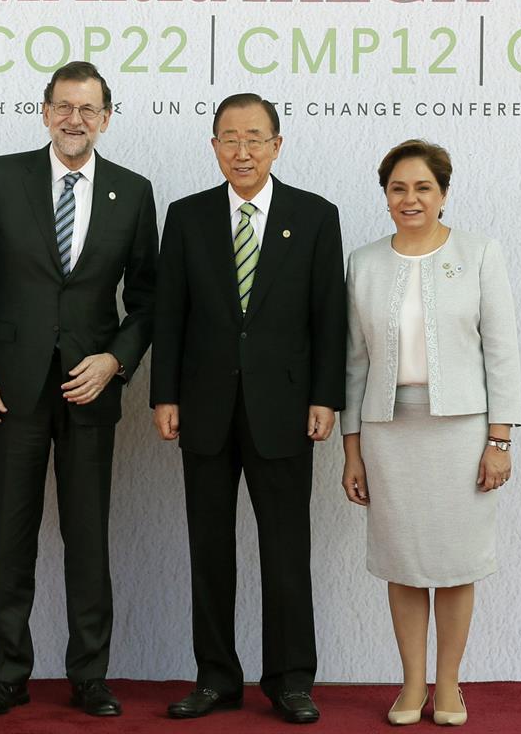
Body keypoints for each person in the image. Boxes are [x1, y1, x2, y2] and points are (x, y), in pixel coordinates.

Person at [0, 61, 158, 718]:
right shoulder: (0, 178)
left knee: (89, 536)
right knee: (11, 535)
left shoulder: (132, 190)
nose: (75, 120)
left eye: (88, 109)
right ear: (45, 112)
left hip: (89, 393)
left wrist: (116, 361)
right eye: (64, 107)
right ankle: (7, 675)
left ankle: (90, 676)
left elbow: (149, 300)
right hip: (7, 391)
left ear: (106, 118)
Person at [150, 93, 346, 724]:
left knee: (286, 551)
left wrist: (325, 396)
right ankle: (215, 679)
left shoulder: (315, 216)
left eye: (255, 138)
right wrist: (164, 394)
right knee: (209, 550)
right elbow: (170, 313)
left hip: (285, 409)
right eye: (229, 139)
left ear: (277, 145)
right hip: (203, 408)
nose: (242, 151)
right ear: (214, 147)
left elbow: (328, 318)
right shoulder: (186, 216)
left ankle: (291, 681)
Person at [340, 140, 521, 727]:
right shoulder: (364, 263)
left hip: (462, 433)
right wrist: (353, 448)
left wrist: (499, 440)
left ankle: (450, 686)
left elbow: (502, 350)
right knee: (404, 560)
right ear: (386, 196)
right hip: (388, 433)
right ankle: (411, 685)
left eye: (422, 187)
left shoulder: (478, 253)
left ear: (443, 193)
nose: (410, 198)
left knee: (456, 561)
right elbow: (354, 362)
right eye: (398, 188)